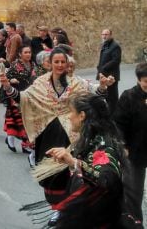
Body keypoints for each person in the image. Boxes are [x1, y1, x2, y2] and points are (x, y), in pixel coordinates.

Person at [0, 48, 115, 221]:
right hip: (47, 135)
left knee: (69, 175)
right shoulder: (40, 83)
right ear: (50, 64)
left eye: (63, 62)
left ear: (68, 64)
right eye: (57, 62)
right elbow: (24, 99)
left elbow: (93, 94)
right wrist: (8, 87)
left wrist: (104, 86)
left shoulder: (76, 83)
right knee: (50, 176)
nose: (60, 65)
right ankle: (56, 207)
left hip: (72, 137)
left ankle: (64, 208)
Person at [45, 93, 124, 228]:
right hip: (89, 212)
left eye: (71, 112)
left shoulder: (104, 145)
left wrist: (74, 162)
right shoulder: (91, 137)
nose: (69, 117)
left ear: (82, 116)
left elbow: (107, 180)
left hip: (96, 217)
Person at [114, 62, 147, 227]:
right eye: (146, 81)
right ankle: (135, 224)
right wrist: (124, 145)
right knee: (133, 192)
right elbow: (118, 124)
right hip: (135, 150)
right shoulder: (128, 96)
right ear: (139, 80)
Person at [2, 45, 35, 161]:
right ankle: (12, 140)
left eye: (29, 52)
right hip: (16, 95)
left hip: (29, 96)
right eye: (26, 52)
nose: (28, 54)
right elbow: (5, 78)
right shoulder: (15, 65)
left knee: (26, 122)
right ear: (20, 54)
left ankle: (24, 144)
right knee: (17, 121)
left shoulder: (33, 65)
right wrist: (11, 80)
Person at [97, 28, 121, 114]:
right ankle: (110, 114)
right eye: (103, 34)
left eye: (106, 34)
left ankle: (115, 116)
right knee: (107, 96)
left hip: (111, 76)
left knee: (113, 98)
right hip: (103, 74)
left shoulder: (115, 46)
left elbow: (116, 60)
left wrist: (104, 67)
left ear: (110, 35)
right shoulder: (104, 44)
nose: (104, 36)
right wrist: (99, 68)